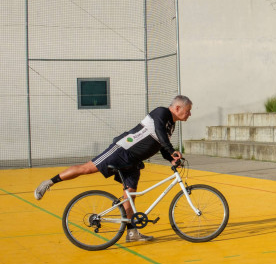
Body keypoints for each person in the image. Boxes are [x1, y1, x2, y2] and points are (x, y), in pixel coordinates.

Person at [34, 95, 192, 243]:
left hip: (134, 161)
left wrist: (171, 158)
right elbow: (159, 133)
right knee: (87, 168)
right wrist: (172, 150)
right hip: (122, 150)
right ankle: (49, 182)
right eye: (188, 110)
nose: (189, 114)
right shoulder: (161, 112)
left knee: (129, 195)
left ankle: (132, 232)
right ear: (177, 108)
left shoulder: (171, 124)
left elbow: (161, 144)